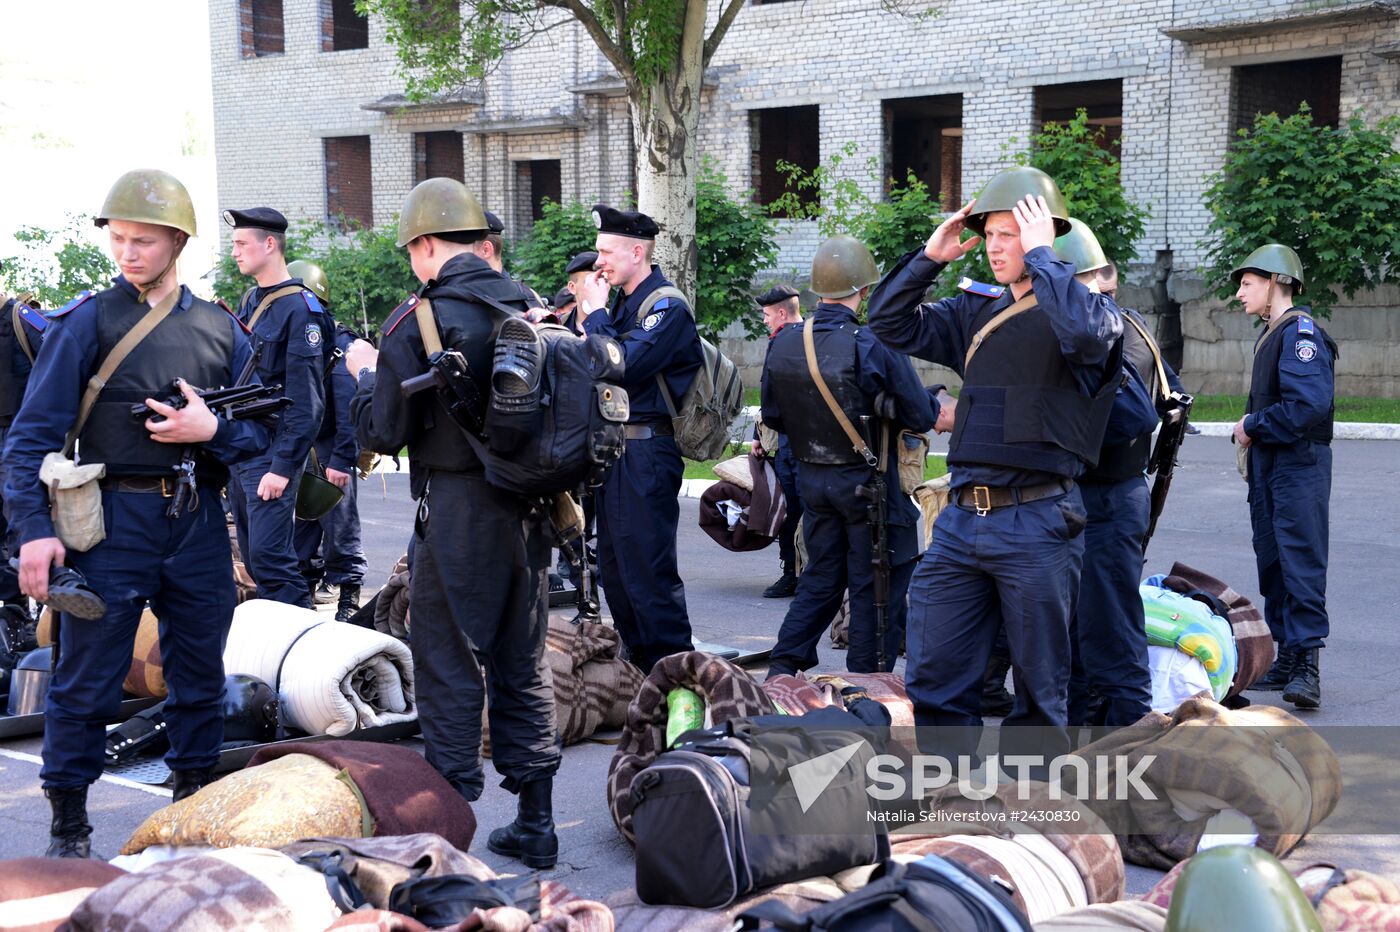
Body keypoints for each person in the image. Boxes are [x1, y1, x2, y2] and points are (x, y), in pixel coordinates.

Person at [3, 169, 269, 856]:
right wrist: (33, 533)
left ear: (177, 241)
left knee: (199, 676)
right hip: (110, 524)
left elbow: (260, 439)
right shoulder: (87, 322)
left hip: (197, 521)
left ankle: (187, 810)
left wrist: (210, 432)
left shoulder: (221, 329)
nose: (127, 253)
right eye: (118, 239)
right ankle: (69, 824)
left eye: (143, 241)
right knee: (86, 680)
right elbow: (29, 439)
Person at [866, 167, 1123, 760]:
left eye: (1012, 233)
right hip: (961, 520)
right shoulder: (973, 311)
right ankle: (944, 795)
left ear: (1046, 237)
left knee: (1039, 687)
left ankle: (1031, 814)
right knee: (935, 672)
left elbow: (1085, 338)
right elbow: (887, 323)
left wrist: (1044, 259)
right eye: (992, 234)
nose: (997, 246)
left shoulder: (1091, 314)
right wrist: (930, 257)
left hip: (1036, 519)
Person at [345, 177, 560, 867]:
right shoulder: (528, 303)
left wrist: (362, 378)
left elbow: (385, 427)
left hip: (459, 508)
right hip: (533, 507)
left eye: (413, 248)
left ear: (427, 244)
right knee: (521, 663)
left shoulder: (420, 319)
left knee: (447, 662)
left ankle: (445, 832)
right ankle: (538, 822)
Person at [762, 238, 939, 675]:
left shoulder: (784, 343)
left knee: (821, 578)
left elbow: (773, 416)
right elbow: (920, 413)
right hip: (869, 485)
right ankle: (868, 681)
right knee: (875, 583)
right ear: (863, 290)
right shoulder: (871, 343)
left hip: (814, 482)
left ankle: (782, 667)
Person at [1054, 219, 1175, 728]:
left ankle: (1129, 732)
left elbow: (1139, 415)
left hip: (1103, 497)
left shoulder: (1110, 334)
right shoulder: (1130, 325)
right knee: (1081, 626)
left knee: (1109, 627)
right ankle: (1083, 726)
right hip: (1109, 495)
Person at [573, 205, 703, 673]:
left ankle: (678, 680)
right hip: (615, 450)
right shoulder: (626, 303)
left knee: (648, 572)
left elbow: (620, 364)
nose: (599, 261)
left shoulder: (666, 306)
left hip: (646, 450)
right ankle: (640, 673)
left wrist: (596, 317)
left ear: (636, 250)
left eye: (606, 251)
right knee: (615, 570)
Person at [1233, 244, 1334, 710]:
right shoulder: (1273, 333)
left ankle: (1308, 667)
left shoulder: (1300, 334)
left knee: (1300, 560)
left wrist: (1252, 425)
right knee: (1273, 561)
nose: (1239, 294)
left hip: (1297, 466)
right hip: (1271, 468)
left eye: (1247, 284)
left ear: (1275, 282)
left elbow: (1307, 406)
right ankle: (1289, 658)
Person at [225, 207, 326, 608]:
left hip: (271, 453)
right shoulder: (251, 299)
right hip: (243, 449)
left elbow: (308, 401)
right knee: (253, 557)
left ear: (270, 245)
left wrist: (283, 468)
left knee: (272, 560)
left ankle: (306, 651)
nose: (234, 252)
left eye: (241, 244)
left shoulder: (301, 309)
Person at [287, 259, 368, 622]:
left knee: (340, 531)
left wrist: (340, 458)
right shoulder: (297, 334)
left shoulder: (336, 341)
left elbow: (349, 405)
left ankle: (349, 598)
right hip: (301, 450)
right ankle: (304, 595)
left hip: (330, 450)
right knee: (302, 528)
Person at [750, 284, 805, 599]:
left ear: (782, 313)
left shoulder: (802, 340)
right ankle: (791, 572)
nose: (765, 320)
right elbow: (773, 394)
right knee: (788, 510)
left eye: (768, 315)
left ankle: (806, 575)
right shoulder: (780, 339)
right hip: (783, 441)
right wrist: (760, 435)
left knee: (805, 511)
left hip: (802, 443)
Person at [0, 285, 49, 608]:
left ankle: (23, 614)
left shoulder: (22, 318)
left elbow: (59, 372)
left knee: (21, 525)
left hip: (19, 443)